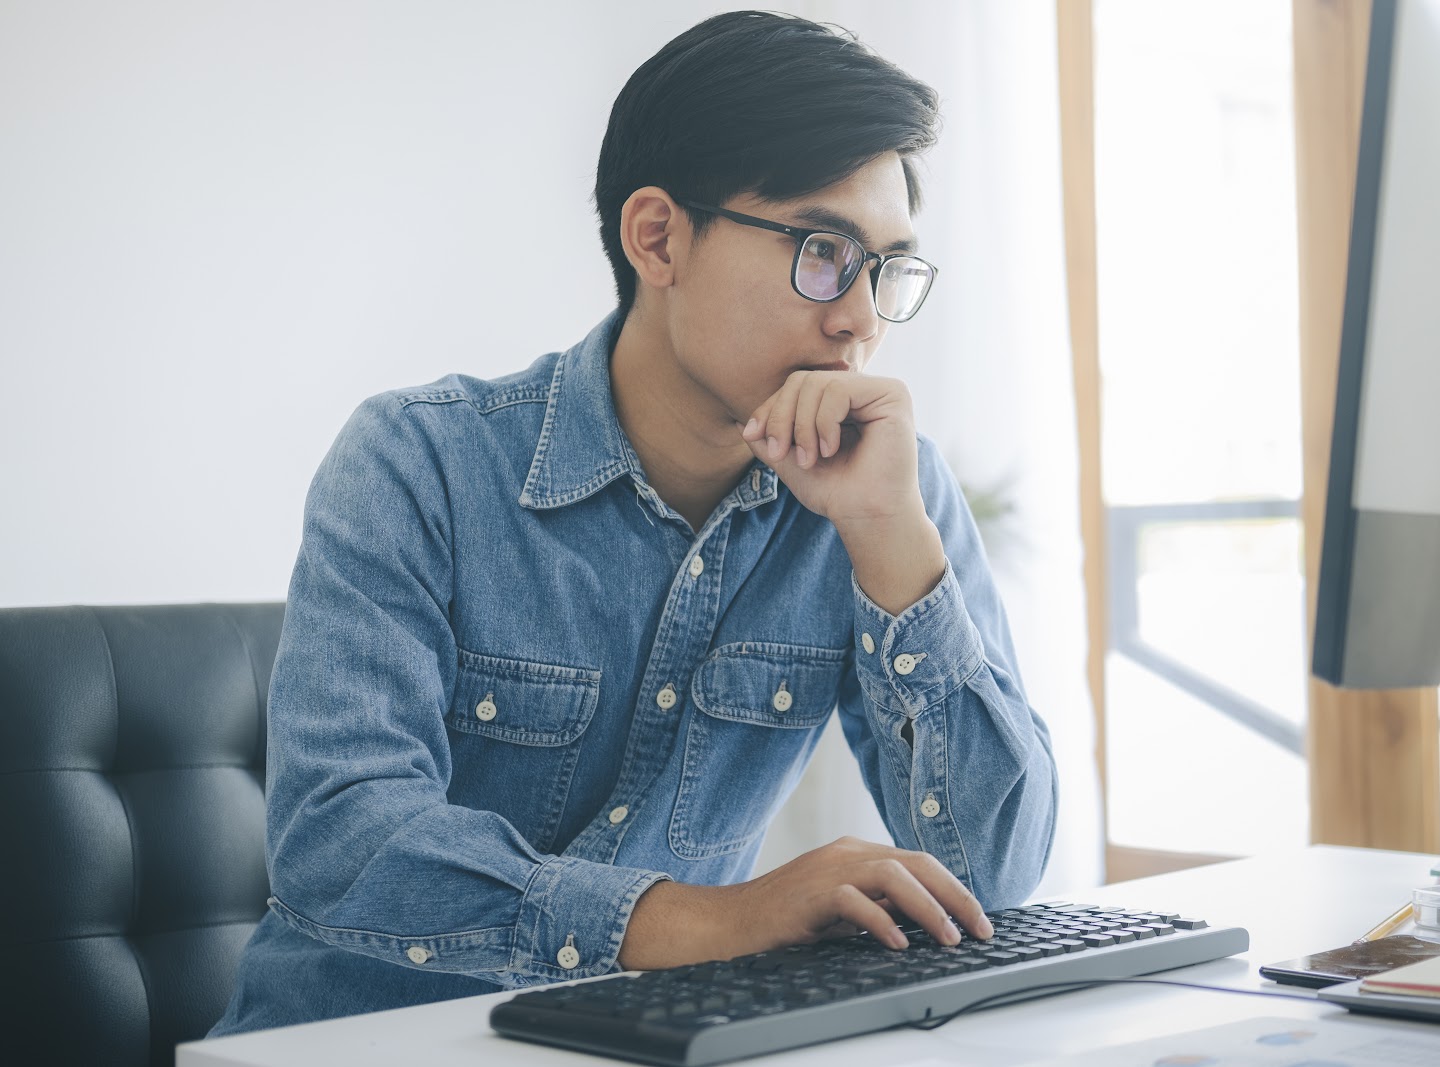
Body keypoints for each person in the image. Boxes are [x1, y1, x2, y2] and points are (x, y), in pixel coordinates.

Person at [209, 9, 1057, 1036]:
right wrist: (719, 919)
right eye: (824, 251)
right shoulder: (417, 460)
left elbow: (996, 874)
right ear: (657, 236)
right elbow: (343, 840)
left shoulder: (882, 486)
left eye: (884, 269)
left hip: (653, 1048)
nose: (860, 318)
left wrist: (888, 539)